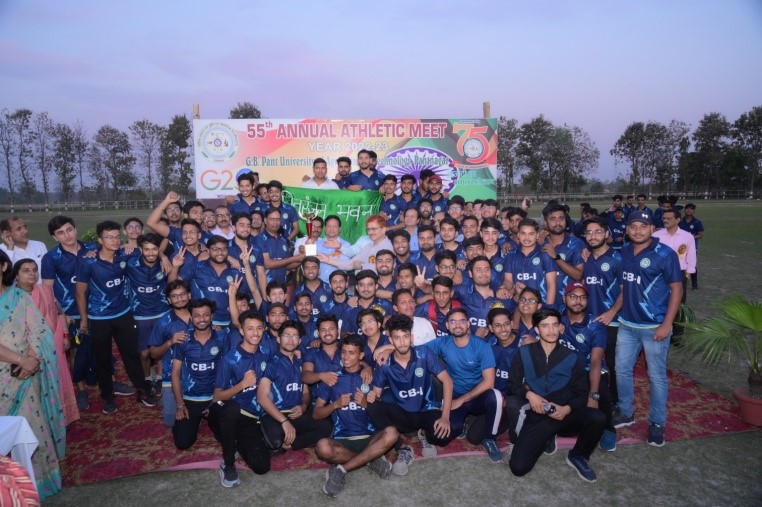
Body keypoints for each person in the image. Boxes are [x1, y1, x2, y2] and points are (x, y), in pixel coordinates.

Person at [506, 308, 605, 482]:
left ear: (560, 327)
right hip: (538, 415)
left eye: (554, 325)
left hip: (564, 413)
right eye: (545, 326)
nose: (551, 330)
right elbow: (512, 385)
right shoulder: (524, 353)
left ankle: (578, 455)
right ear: (537, 330)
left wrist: (567, 409)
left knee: (597, 417)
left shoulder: (572, 357)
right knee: (518, 468)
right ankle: (547, 438)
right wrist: (529, 394)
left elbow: (581, 393)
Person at [612, 211, 682, 447]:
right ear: (627, 229)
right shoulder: (624, 252)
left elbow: (677, 290)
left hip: (654, 327)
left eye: (643, 226)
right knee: (622, 370)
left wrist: (667, 324)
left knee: (656, 376)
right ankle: (625, 411)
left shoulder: (665, 254)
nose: (638, 231)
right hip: (627, 325)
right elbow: (625, 286)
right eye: (633, 226)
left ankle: (657, 423)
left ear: (652, 228)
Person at [0, 250, 65, 500]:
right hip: (7, 374)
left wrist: (31, 359)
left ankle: (39, 481)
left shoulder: (19, 297)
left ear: (3, 266)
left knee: (33, 428)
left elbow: (37, 329)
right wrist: (21, 360)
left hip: (26, 375)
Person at [75, 220, 157, 413]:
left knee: (132, 355)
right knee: (102, 359)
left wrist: (166, 259)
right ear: (100, 240)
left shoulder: (125, 256)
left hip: (123, 314)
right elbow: (80, 292)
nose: (114, 240)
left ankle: (142, 390)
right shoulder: (88, 261)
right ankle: (108, 397)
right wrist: (84, 319)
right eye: (109, 237)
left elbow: (151, 253)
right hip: (99, 318)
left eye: (117, 237)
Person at [366, 315, 454, 475]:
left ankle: (424, 434)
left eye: (405, 336)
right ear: (391, 341)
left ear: (411, 338)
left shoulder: (424, 353)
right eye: (397, 338)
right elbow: (376, 393)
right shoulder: (384, 364)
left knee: (444, 437)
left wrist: (445, 416)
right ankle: (403, 448)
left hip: (427, 410)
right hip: (403, 414)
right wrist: (372, 396)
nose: (402, 342)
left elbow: (447, 381)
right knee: (372, 406)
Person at [314, 334, 398, 497]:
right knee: (322, 447)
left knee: (392, 433)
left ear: (361, 355)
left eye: (351, 353)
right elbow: (316, 413)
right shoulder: (333, 378)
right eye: (344, 352)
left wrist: (366, 404)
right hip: (343, 441)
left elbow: (382, 413)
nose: (346, 357)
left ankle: (342, 469)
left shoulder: (370, 377)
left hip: (370, 438)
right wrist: (335, 405)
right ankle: (370, 459)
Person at [426, 308, 504, 462]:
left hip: (478, 396)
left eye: (462, 321)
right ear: (447, 326)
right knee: (439, 437)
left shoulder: (481, 346)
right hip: (455, 394)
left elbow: (489, 382)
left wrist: (461, 401)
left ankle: (490, 438)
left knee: (495, 396)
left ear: (468, 324)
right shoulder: (443, 343)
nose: (458, 325)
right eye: (453, 321)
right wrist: (387, 348)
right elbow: (417, 350)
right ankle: (463, 422)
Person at [13, 258, 79, 426]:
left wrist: (65, 335)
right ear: (16, 275)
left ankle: (63, 416)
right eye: (26, 270)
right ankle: (44, 420)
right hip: (28, 347)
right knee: (38, 383)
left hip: (53, 341)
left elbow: (59, 312)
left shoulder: (45, 290)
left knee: (59, 377)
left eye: (34, 270)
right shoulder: (12, 297)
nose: (32, 274)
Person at [210, 310, 271, 487]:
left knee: (262, 466)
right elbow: (216, 396)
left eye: (259, 328)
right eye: (250, 329)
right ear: (242, 331)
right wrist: (242, 385)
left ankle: (237, 441)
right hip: (226, 411)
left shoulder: (265, 352)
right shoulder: (229, 359)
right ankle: (228, 463)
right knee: (232, 409)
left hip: (249, 417)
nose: (255, 333)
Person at [256, 320, 333, 453]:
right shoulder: (271, 363)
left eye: (294, 336)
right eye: (286, 336)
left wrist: (303, 407)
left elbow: (305, 393)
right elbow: (262, 398)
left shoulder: (301, 362)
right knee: (275, 440)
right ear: (279, 339)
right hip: (274, 414)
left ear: (299, 341)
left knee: (327, 427)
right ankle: (280, 440)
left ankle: (291, 444)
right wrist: (284, 421)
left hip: (295, 414)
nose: (290, 340)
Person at [558, 282, 617, 452]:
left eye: (582, 297)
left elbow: (596, 361)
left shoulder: (595, 325)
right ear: (564, 299)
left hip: (589, 369)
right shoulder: (556, 319)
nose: (578, 301)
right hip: (566, 371)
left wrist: (593, 395)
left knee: (601, 390)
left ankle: (608, 428)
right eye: (573, 297)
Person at [171, 298, 231, 450]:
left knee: (229, 435)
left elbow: (229, 370)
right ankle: (196, 419)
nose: (202, 319)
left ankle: (213, 416)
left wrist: (219, 400)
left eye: (205, 315)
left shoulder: (222, 337)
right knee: (182, 443)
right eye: (197, 315)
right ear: (191, 318)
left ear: (212, 317)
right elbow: (175, 373)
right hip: (191, 398)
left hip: (216, 396)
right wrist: (179, 404)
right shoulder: (183, 339)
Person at [581, 217, 623, 409]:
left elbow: (625, 290)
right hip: (591, 320)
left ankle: (616, 402)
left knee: (614, 363)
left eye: (597, 232)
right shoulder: (588, 258)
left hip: (611, 321)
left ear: (607, 234)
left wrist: (612, 312)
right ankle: (593, 394)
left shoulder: (617, 259)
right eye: (589, 233)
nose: (593, 236)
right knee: (592, 361)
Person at [148, 280, 192, 427]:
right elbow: (153, 354)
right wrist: (170, 342)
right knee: (171, 422)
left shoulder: (200, 316)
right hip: (171, 377)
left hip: (199, 377)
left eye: (182, 294)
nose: (179, 299)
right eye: (174, 296)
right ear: (169, 300)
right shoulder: (163, 322)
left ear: (189, 295)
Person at [502, 218, 557, 306]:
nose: (527, 238)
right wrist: (504, 287)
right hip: (518, 304)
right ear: (518, 235)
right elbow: (508, 280)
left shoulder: (545, 254)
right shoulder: (511, 255)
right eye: (523, 233)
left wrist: (549, 308)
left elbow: (551, 285)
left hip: (541, 305)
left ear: (537, 235)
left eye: (531, 234)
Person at [318, 215, 392, 273]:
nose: (370, 232)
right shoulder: (369, 246)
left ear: (383, 229)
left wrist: (362, 266)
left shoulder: (387, 247)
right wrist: (328, 260)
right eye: (368, 229)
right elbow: (351, 263)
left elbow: (384, 269)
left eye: (373, 229)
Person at [653, 209, 696, 304]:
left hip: (679, 271)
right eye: (664, 218)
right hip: (660, 271)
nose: (665, 220)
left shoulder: (687, 236)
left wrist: (689, 272)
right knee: (659, 296)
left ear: (677, 220)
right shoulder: (655, 236)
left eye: (669, 218)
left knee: (679, 299)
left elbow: (691, 255)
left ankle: (678, 313)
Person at [679, 203, 704, 290]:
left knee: (692, 264)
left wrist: (691, 237)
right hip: (681, 247)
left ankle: (694, 284)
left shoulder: (697, 222)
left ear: (694, 211)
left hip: (692, 247)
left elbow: (701, 235)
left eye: (691, 209)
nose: (689, 210)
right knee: (680, 262)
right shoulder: (680, 222)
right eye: (687, 209)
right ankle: (681, 282)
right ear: (684, 210)